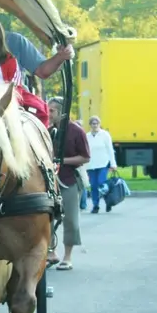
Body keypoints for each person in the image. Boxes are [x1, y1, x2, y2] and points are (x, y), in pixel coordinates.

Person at [47, 98, 90, 271]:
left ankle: (67, 257)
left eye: (51, 111)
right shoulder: (49, 131)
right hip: (51, 181)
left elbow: (85, 157)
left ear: (61, 112)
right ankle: (51, 252)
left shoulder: (76, 131)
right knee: (46, 218)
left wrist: (61, 161)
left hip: (70, 180)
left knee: (70, 220)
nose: (48, 114)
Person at [85, 116, 117, 214]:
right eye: (93, 124)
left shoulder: (105, 135)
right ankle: (96, 205)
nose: (95, 125)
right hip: (91, 165)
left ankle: (108, 202)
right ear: (90, 125)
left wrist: (113, 163)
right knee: (93, 185)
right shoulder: (87, 136)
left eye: (96, 123)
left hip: (103, 163)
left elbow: (110, 149)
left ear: (99, 124)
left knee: (102, 184)